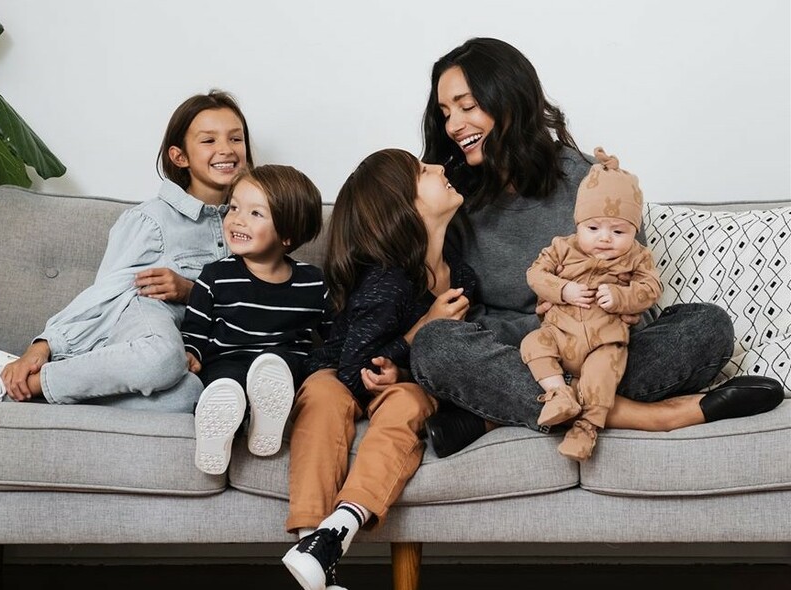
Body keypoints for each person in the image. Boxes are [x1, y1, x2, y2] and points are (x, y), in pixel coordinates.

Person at [412, 37, 784, 458]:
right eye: (445, 113)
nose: (454, 125)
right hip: (520, 352)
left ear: (510, 100)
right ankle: (652, 415)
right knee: (434, 345)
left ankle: (494, 414)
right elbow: (450, 307)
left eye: (466, 106)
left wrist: (598, 308)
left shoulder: (588, 181)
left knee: (706, 325)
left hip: (602, 344)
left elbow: (635, 291)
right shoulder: (454, 196)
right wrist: (429, 225)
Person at [0, 91, 253, 412]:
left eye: (235, 138)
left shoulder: (255, 222)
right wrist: (46, 344)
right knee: (162, 358)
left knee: (187, 397)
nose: (226, 149)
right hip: (147, 323)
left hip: (187, 351)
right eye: (209, 140)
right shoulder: (151, 221)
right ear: (179, 156)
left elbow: (261, 299)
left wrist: (192, 292)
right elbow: (104, 293)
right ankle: (26, 383)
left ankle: (22, 391)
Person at [281, 149, 476, 590]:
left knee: (409, 401)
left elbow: (451, 362)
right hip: (343, 371)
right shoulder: (387, 281)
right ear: (403, 209)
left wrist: (404, 371)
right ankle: (311, 542)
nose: (440, 169)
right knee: (324, 396)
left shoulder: (461, 273)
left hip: (398, 381)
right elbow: (353, 370)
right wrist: (419, 330)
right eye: (424, 172)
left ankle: (340, 529)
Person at [181, 164, 330, 475]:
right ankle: (217, 435)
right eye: (234, 207)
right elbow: (195, 328)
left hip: (282, 366)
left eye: (255, 213)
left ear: (288, 234)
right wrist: (192, 353)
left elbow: (335, 336)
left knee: (279, 365)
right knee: (224, 386)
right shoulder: (216, 276)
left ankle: (268, 419)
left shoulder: (313, 283)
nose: (236, 219)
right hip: (228, 360)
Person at [520, 147, 662, 461]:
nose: (605, 239)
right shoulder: (562, 247)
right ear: (578, 223)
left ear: (634, 231)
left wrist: (623, 297)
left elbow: (652, 286)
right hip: (560, 335)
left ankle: (586, 427)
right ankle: (559, 394)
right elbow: (535, 274)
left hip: (603, 341)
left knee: (603, 372)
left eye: (618, 230)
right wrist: (562, 290)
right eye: (593, 228)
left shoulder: (637, 256)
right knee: (532, 343)